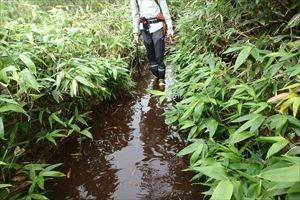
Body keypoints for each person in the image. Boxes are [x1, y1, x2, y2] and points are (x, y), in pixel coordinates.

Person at [130, 0, 174, 86]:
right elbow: (135, 14)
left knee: (159, 56)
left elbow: (165, 10)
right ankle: (156, 75)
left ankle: (161, 79)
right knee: (151, 57)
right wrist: (136, 32)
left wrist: (170, 28)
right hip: (144, 27)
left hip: (157, 26)